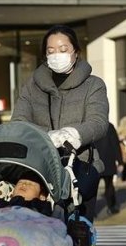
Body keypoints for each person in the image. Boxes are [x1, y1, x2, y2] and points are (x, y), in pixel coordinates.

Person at [11, 24, 109, 222]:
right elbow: (18, 120)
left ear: (76, 52)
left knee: (79, 230)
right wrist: (45, 136)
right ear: (44, 56)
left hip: (80, 166)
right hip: (38, 168)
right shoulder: (32, 86)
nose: (57, 55)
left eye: (63, 49)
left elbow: (98, 122)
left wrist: (71, 134)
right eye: (51, 51)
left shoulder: (93, 85)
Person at [93, 122, 123, 215]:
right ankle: (112, 207)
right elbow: (115, 144)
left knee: (92, 187)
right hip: (108, 161)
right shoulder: (109, 126)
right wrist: (120, 161)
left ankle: (92, 211)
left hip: (94, 161)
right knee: (109, 185)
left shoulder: (91, 126)